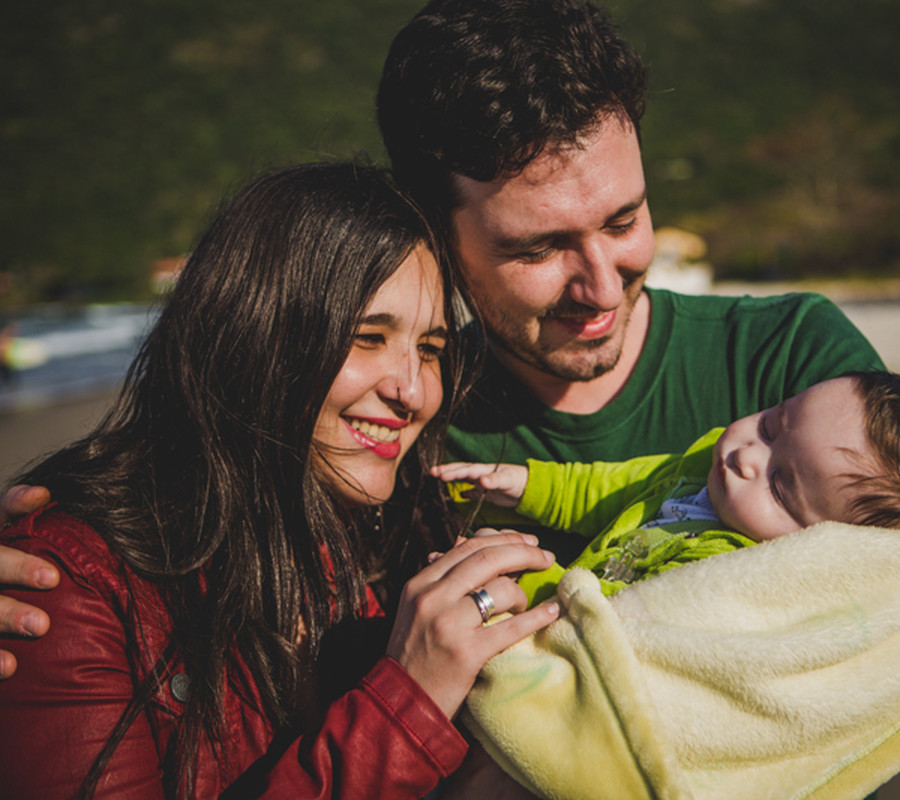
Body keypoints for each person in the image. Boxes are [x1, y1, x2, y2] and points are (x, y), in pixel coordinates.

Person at [0, 0, 883, 680]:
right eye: (538, 247)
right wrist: (61, 573)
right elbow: (192, 535)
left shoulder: (795, 371)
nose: (602, 284)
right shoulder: (381, 423)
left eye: (625, 218)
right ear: (432, 230)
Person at [0, 164, 562, 799]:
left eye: (429, 349)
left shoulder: (369, 543)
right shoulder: (65, 584)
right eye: (367, 337)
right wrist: (407, 705)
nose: (413, 391)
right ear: (256, 336)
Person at [435, 372, 900, 605]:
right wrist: (530, 486)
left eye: (780, 486)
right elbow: (619, 485)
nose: (748, 454)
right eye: (773, 424)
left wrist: (522, 581)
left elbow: (606, 626)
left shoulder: (723, 567)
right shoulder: (708, 460)